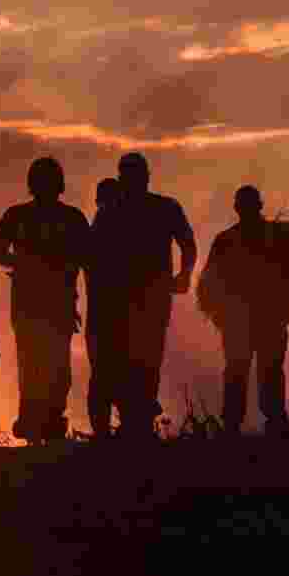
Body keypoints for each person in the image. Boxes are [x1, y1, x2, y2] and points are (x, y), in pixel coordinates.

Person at [89, 152, 197, 442]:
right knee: (139, 360)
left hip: (143, 298)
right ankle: (134, 423)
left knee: (141, 360)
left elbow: (187, 242)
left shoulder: (119, 210)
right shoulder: (125, 209)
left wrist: (185, 274)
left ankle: (134, 423)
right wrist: (184, 274)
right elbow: (95, 256)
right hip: (131, 299)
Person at [0, 157, 91, 446]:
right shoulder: (20, 216)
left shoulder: (68, 218)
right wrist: (22, 264)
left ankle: (45, 421)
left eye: (48, 180)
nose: (45, 186)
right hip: (33, 304)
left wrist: (22, 264)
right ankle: (38, 422)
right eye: (42, 180)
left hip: (55, 303)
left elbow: (89, 258)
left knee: (50, 366)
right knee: (39, 364)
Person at [197, 185, 289, 438]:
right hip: (256, 319)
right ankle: (265, 423)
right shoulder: (275, 235)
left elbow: (208, 283)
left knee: (246, 371)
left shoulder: (229, 239)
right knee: (259, 370)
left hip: (252, 319)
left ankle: (238, 426)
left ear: (237, 208)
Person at [85, 178, 122, 440]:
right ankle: (106, 427)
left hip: (103, 313)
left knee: (103, 371)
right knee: (110, 370)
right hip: (111, 312)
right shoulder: (108, 227)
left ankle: (103, 428)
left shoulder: (96, 226)